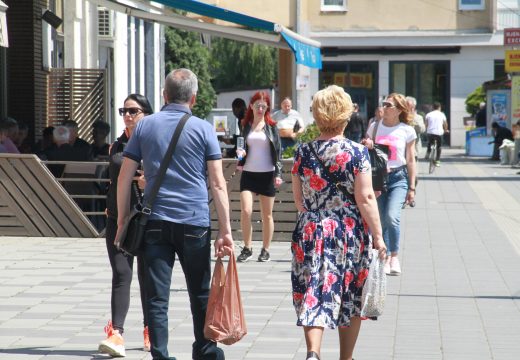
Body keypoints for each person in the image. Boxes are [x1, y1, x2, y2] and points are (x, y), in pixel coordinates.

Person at [116, 68, 233, 360]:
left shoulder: (144, 127)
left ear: (164, 95)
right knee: (200, 292)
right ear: (193, 98)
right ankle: (206, 351)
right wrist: (226, 230)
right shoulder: (203, 128)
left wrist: (121, 220)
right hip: (194, 221)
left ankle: (161, 355)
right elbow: (217, 182)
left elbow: (124, 177)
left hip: (154, 221)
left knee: (156, 297)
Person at [291, 85, 387, 360]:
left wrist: (316, 213)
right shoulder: (358, 153)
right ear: (345, 115)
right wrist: (378, 237)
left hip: (310, 228)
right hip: (348, 231)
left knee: (313, 288)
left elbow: (299, 200)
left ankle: (313, 352)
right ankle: (346, 357)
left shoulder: (302, 152)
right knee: (350, 293)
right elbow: (366, 197)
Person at [98, 94, 153, 358]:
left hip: (146, 220)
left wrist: (148, 182)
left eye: (133, 110)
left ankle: (149, 327)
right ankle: (116, 332)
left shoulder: (154, 143)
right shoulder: (116, 147)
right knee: (122, 274)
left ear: (146, 113)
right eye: (123, 111)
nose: (127, 115)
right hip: (117, 219)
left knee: (146, 277)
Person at [362, 93, 416, 276]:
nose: (383, 107)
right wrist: (367, 145)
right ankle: (383, 258)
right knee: (380, 220)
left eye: (388, 105)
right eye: (383, 104)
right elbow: (365, 154)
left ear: (399, 110)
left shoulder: (407, 130)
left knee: (392, 217)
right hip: (378, 177)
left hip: (398, 177)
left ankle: (394, 256)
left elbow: (410, 159)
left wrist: (412, 187)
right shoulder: (374, 127)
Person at [236, 91, 283, 263]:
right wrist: (239, 155)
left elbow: (278, 152)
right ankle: (247, 247)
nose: (261, 109)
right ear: (251, 106)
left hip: (267, 174)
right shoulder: (245, 125)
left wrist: (278, 174)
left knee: (267, 215)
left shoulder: (271, 126)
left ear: (267, 108)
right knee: (246, 211)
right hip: (248, 174)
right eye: (258, 105)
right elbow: (240, 146)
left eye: (264, 106)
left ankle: (266, 249)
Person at [424, 102, 449, 167]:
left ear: (432, 107)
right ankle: (437, 161)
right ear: (439, 107)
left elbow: (426, 124)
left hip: (430, 132)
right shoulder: (442, 114)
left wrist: (426, 129)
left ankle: (428, 152)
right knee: (439, 146)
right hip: (439, 133)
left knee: (429, 142)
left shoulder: (428, 114)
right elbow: (445, 124)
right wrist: (446, 130)